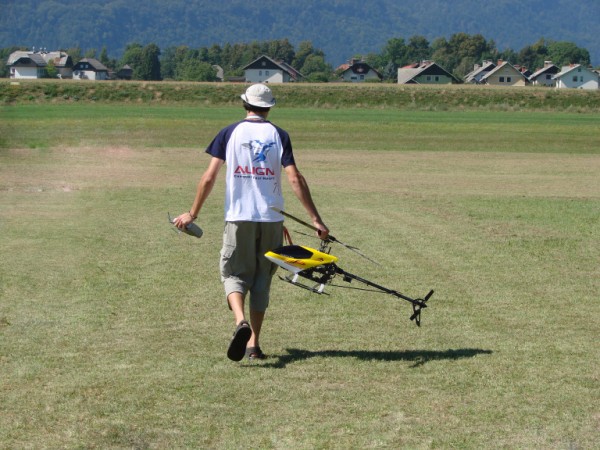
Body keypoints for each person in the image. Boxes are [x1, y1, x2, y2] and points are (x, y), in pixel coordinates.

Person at [173, 83, 329, 362]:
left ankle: (239, 322)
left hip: (238, 217)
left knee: (232, 274)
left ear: (244, 104)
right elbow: (295, 178)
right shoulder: (279, 135)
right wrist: (316, 219)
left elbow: (209, 177)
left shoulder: (228, 133)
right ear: (269, 107)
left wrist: (192, 214)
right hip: (271, 219)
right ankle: (253, 346)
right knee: (261, 280)